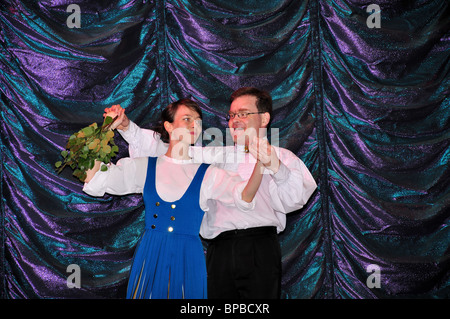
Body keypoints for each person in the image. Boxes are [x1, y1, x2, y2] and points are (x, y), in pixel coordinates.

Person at [105, 87, 317, 299]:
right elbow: (166, 154)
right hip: (219, 250)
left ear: (264, 119)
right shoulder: (214, 157)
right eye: (232, 115)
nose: (235, 120)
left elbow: (296, 198)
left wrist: (276, 166)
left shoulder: (283, 157)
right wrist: (127, 127)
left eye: (243, 114)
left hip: (259, 248)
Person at [83, 99, 264, 299]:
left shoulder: (209, 173)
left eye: (197, 121)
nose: (194, 125)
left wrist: (262, 165)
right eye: (186, 119)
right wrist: (106, 129)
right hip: (150, 252)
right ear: (169, 126)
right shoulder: (145, 166)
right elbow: (96, 180)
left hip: (188, 257)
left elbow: (245, 196)